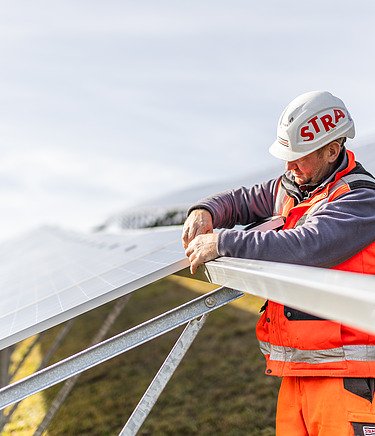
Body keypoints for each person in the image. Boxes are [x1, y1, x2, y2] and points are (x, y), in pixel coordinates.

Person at [182, 91, 375, 435]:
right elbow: (239, 200)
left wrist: (224, 241)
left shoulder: (361, 200)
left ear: (332, 150)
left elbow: (308, 246)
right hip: (298, 372)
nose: (289, 166)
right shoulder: (294, 185)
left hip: (350, 378)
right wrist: (205, 209)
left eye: (299, 157)